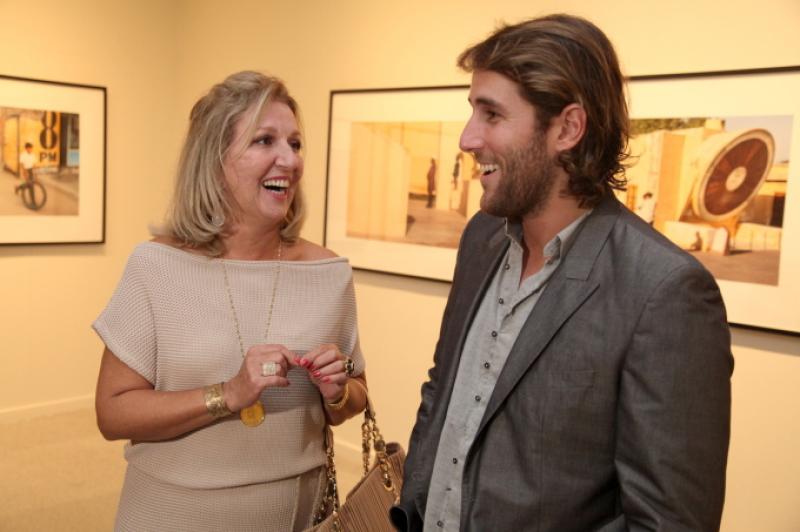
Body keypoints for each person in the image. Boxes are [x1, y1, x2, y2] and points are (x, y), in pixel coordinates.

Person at [392, 14, 732, 532]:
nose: (467, 137)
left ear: (568, 128)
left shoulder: (664, 291)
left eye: (492, 114)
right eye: (472, 111)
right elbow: (444, 390)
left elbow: (669, 522)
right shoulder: (481, 239)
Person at [93, 71, 368, 531]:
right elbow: (113, 412)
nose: (290, 160)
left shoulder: (329, 273)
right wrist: (228, 394)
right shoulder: (156, 266)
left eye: (295, 144)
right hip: (171, 516)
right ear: (215, 159)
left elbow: (356, 394)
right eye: (265, 141)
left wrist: (337, 391)